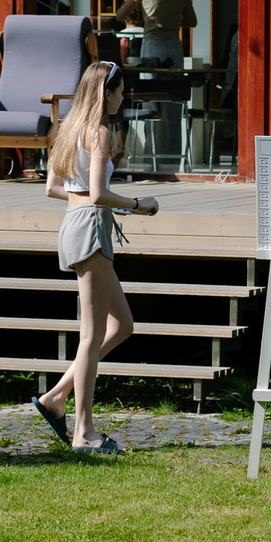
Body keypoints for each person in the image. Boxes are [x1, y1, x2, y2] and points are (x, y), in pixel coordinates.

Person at [31, 61, 159, 454]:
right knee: (91, 335)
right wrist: (138, 204)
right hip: (90, 227)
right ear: (107, 92)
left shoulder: (68, 128)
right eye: (120, 91)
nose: (123, 97)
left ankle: (56, 397)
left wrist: (97, 201)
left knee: (122, 325)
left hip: (74, 223)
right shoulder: (99, 131)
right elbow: (100, 194)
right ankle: (84, 433)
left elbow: (53, 188)